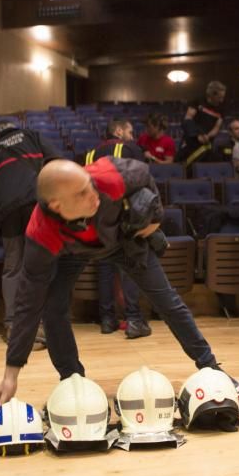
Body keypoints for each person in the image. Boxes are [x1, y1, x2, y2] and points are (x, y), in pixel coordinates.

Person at [0, 158, 225, 408]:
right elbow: (28, 304)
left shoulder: (110, 177)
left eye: (90, 185)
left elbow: (145, 175)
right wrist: (11, 374)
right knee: (51, 308)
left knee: (167, 300)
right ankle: (72, 381)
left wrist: (155, 219)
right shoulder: (41, 233)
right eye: (82, 193)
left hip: (121, 241)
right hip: (71, 252)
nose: (94, 195)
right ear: (57, 205)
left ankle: (211, 368)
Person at [0, 120, 59, 349]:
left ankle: (14, 326)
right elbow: (57, 161)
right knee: (39, 266)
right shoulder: (32, 135)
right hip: (36, 204)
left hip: (7, 212)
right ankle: (40, 326)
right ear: (15, 127)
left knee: (13, 267)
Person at [84, 119, 150, 339]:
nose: (133, 136)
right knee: (127, 267)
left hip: (98, 219)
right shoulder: (130, 148)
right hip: (124, 216)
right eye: (130, 131)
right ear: (119, 131)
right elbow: (142, 181)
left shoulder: (89, 154)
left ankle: (107, 319)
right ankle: (133, 320)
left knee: (104, 268)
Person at [176, 80, 225, 167]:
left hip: (206, 144)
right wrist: (198, 135)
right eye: (220, 97)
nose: (221, 100)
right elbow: (188, 119)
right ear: (212, 94)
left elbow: (216, 127)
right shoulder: (198, 101)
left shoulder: (221, 108)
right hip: (192, 141)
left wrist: (207, 136)